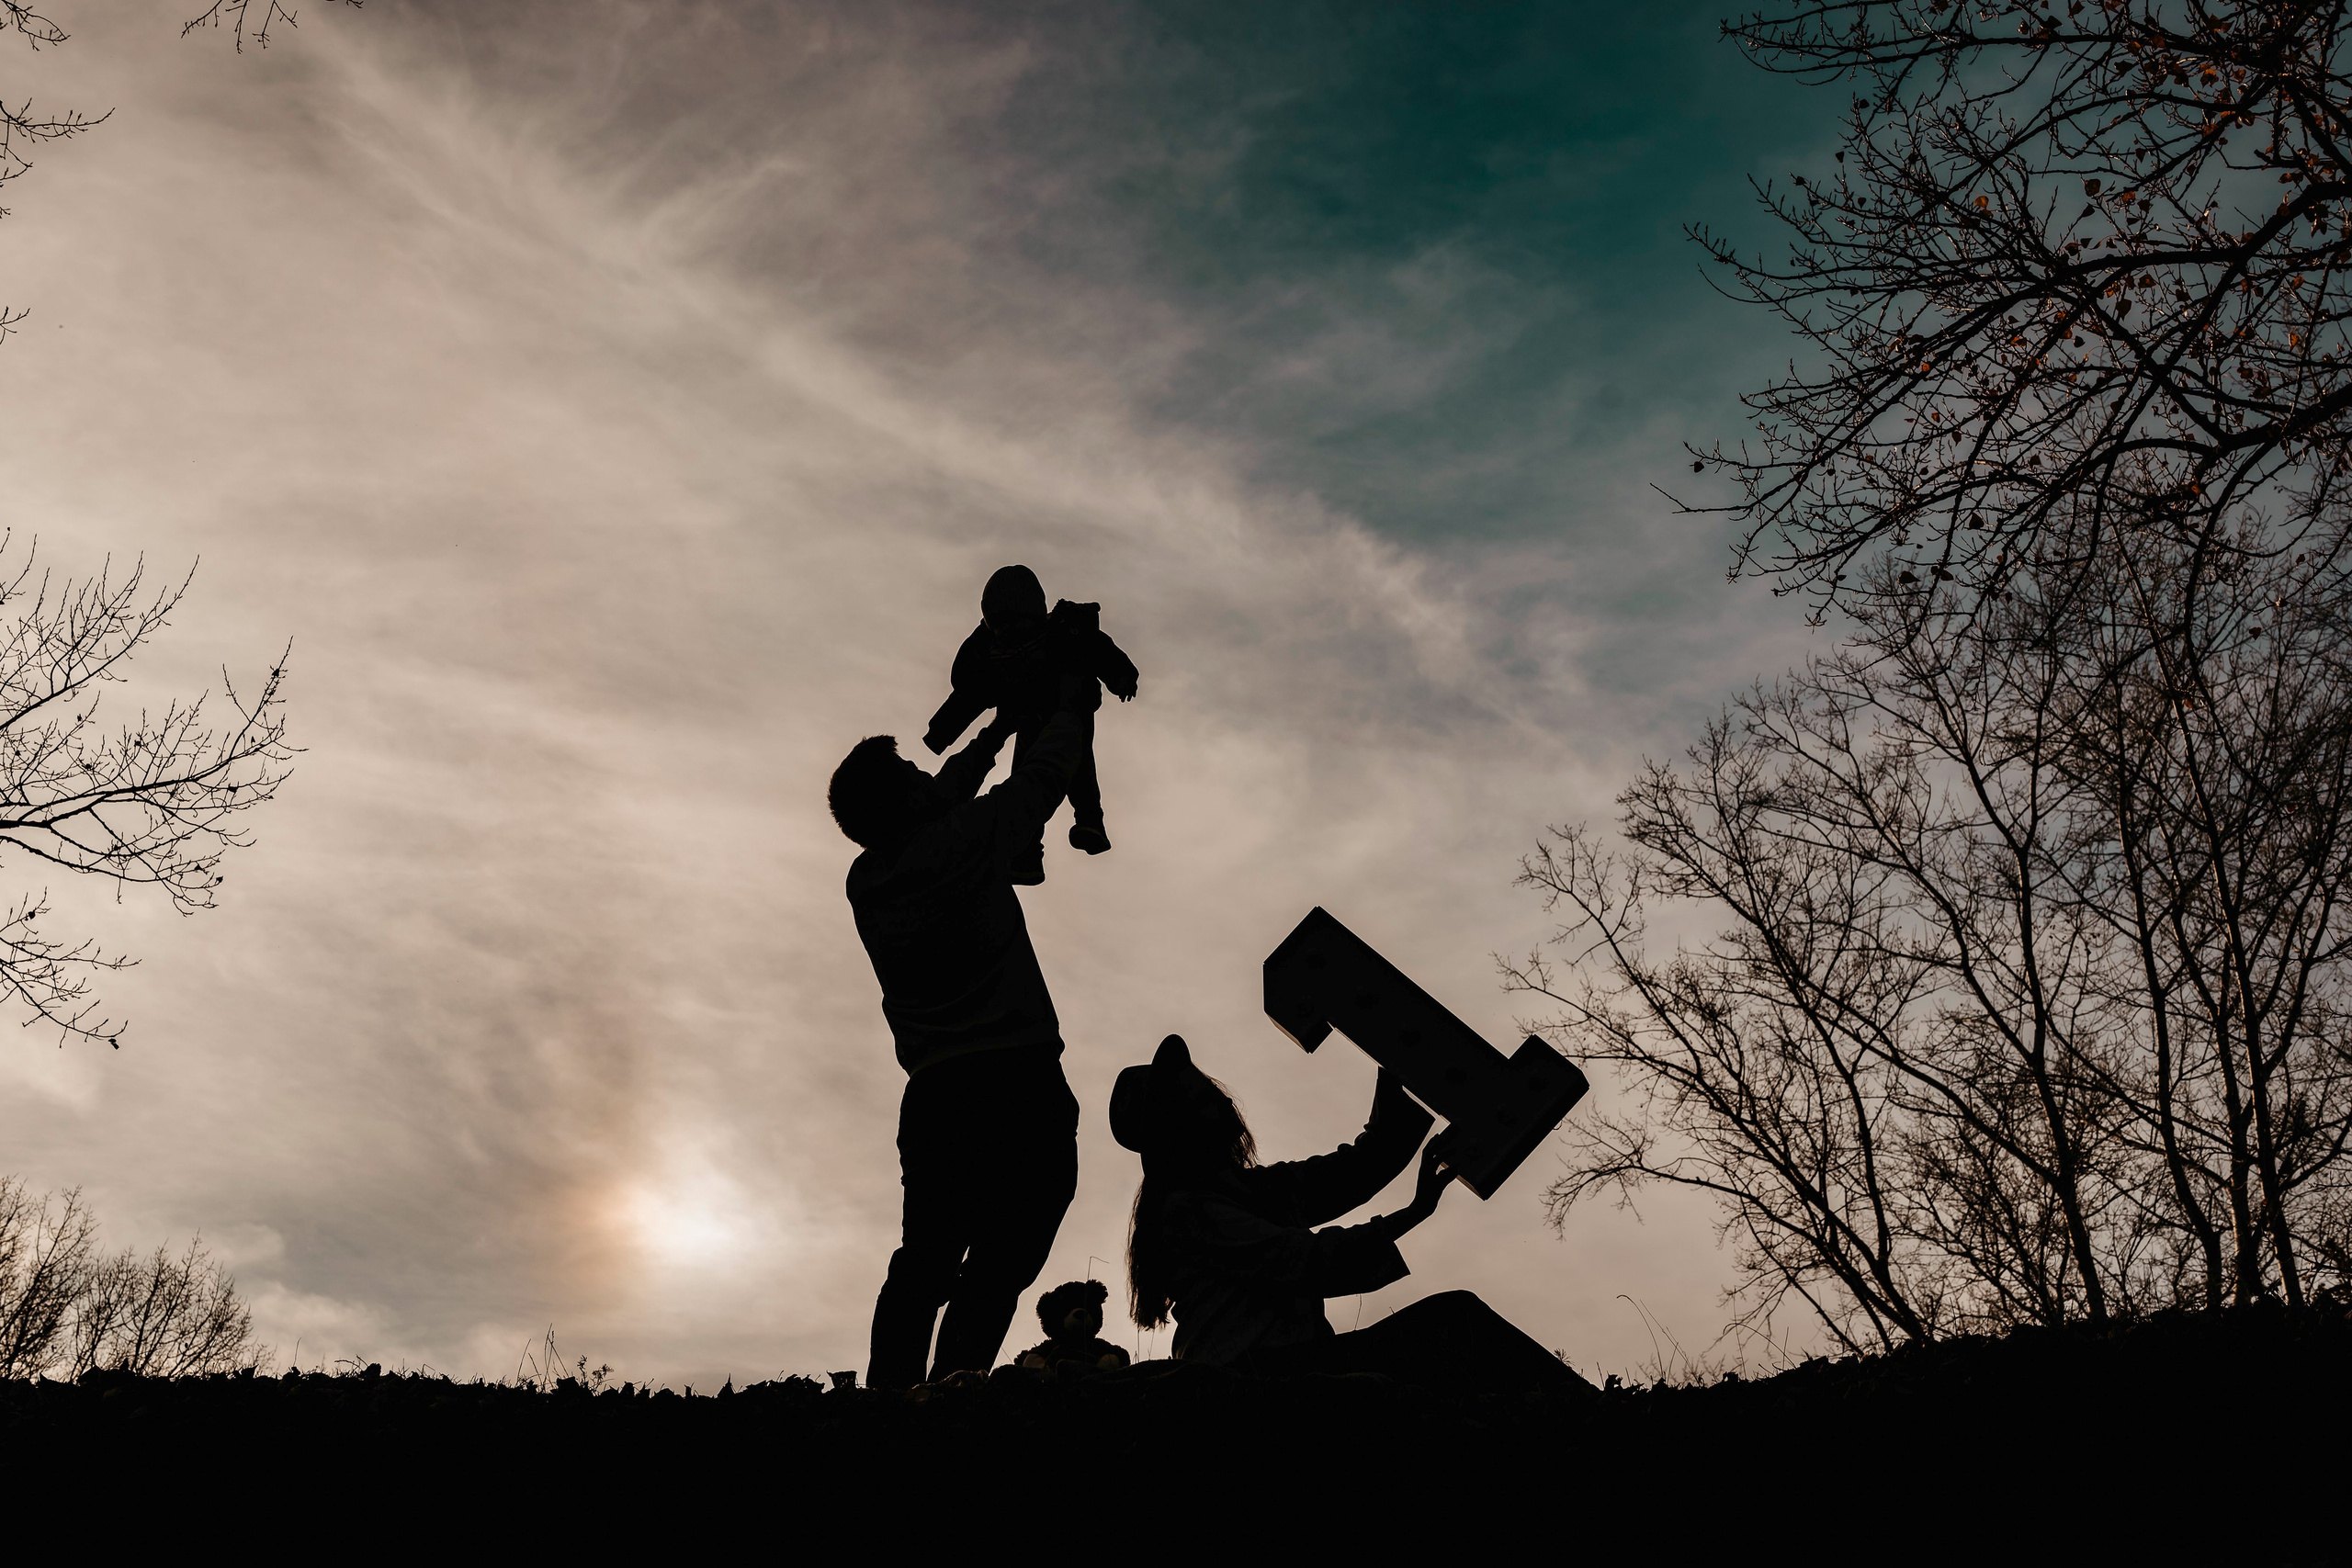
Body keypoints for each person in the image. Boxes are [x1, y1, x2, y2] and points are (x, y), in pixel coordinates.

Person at [829, 671, 1102, 1391]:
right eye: (914, 772)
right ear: (906, 798)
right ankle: (956, 1383)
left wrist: (997, 728)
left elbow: (939, 796)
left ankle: (891, 1394)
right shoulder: (969, 837)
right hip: (1016, 1078)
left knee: (927, 1255)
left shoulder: (866, 881)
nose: (930, 775)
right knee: (1008, 1248)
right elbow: (1043, 780)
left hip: (938, 1091)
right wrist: (1067, 707)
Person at [1111, 1033, 1596, 1398]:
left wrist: (1399, 1067)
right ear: (1175, 1131)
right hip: (1251, 1378)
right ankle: (1608, 1424)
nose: (1215, 1101)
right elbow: (1304, 1259)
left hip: (1294, 1363)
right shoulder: (1186, 1210)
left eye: (1206, 1090)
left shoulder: (1256, 1189)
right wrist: (1412, 1213)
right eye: (1194, 1099)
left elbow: (1356, 1169)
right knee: (1454, 1323)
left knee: (1453, 1333)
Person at [922, 564, 1140, 883]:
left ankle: (1089, 819)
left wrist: (1122, 678)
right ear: (990, 624)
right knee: (1023, 782)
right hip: (1025, 720)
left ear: (1037, 615)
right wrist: (939, 734)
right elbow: (966, 693)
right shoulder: (991, 653)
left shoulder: (1066, 631)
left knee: (1077, 767)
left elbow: (1099, 649)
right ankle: (1027, 853)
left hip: (1070, 713)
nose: (1012, 633)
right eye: (1001, 626)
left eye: (1019, 622)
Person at [1014, 1280, 1132, 1374]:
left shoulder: (1097, 1345)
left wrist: (1108, 1363)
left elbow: (1118, 1354)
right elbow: (1031, 1358)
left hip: (1092, 1372)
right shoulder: (1050, 1347)